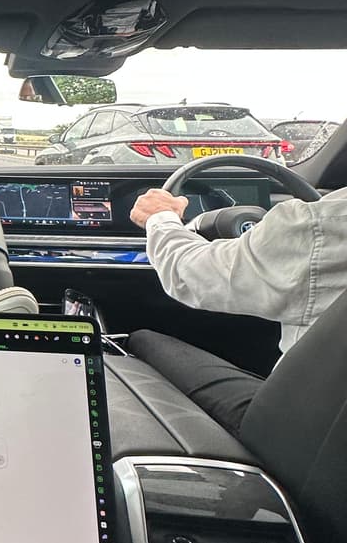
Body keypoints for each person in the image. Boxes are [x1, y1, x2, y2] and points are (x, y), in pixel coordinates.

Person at [127, 184, 347, 433]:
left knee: (138, 342)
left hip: (300, 431)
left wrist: (160, 218)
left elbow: (191, 273)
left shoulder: (320, 223)